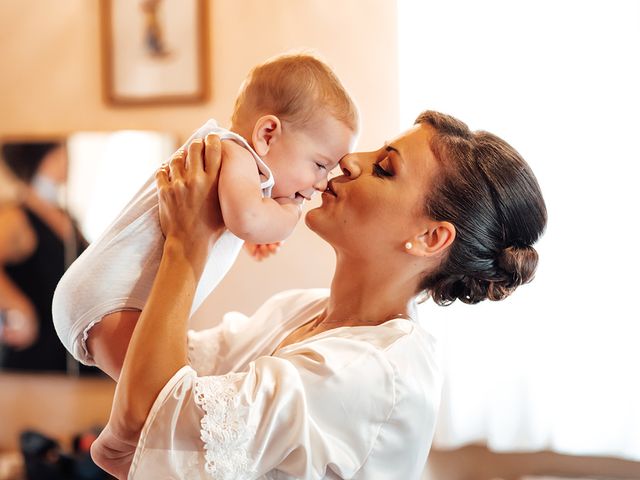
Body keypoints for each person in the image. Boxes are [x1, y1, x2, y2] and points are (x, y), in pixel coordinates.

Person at [86, 110, 547, 479]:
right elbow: (143, 363)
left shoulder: (373, 372)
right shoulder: (298, 310)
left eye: (385, 168)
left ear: (430, 239)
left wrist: (187, 247)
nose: (349, 160)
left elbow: (148, 416)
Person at [52, 53, 358, 378]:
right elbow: (249, 220)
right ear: (267, 134)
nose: (323, 182)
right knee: (157, 401)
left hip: (102, 298)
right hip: (111, 301)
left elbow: (238, 218)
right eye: (320, 165)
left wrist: (249, 234)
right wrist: (287, 216)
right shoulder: (233, 153)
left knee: (154, 401)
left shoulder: (237, 170)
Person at [0, 142, 88, 372]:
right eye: (62, 153)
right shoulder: (16, 217)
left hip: (72, 350)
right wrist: (19, 308)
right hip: (37, 356)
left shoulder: (66, 216)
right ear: (44, 158)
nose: (69, 162)